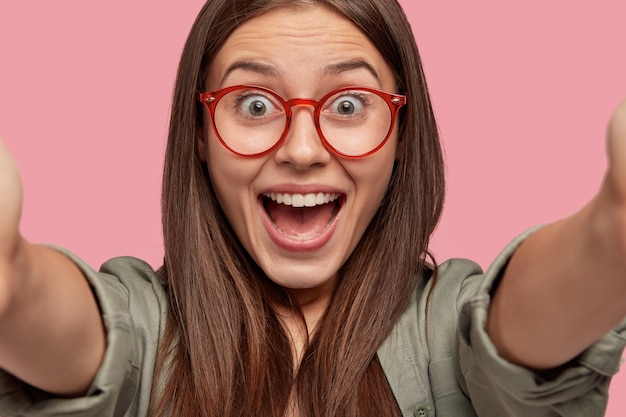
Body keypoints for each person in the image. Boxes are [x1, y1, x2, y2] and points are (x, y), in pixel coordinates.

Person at [0, 0, 625, 416]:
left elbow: (521, 327)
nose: (302, 150)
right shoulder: (146, 323)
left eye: (349, 104)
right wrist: (13, 278)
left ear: (403, 133)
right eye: (253, 103)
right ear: (199, 131)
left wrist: (614, 226)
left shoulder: (444, 326)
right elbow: (77, 337)